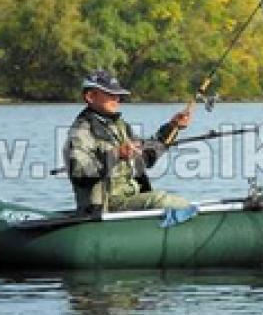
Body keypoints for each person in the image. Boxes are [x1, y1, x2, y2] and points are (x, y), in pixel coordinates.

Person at [63, 69, 191, 214]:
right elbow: (80, 175)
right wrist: (116, 154)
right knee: (162, 200)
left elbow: (147, 157)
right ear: (90, 96)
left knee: (169, 200)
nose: (117, 99)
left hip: (130, 199)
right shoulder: (80, 132)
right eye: (111, 94)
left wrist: (172, 127)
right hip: (104, 207)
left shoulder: (120, 126)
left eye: (118, 95)